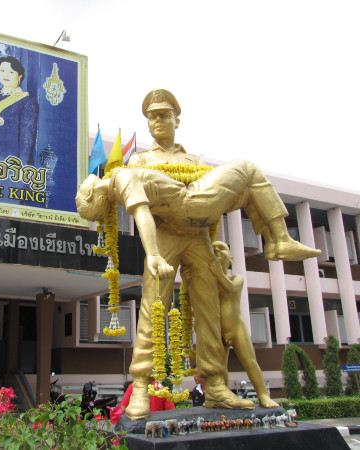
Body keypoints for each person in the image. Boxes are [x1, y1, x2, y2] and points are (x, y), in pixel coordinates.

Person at [75, 89, 320, 419]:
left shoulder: (194, 161)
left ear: (177, 120)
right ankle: (141, 385)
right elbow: (144, 205)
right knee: (153, 305)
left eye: (163, 115)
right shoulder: (140, 161)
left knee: (209, 309)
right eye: (151, 117)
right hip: (165, 234)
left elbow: (214, 196)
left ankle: (215, 385)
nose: (157, 121)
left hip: (198, 234)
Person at [212, 241, 280, 408]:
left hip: (236, 326)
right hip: (217, 329)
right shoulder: (209, 282)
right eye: (214, 250)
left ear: (231, 258)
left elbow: (229, 288)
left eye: (222, 249)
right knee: (220, 367)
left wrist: (216, 271)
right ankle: (223, 396)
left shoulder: (236, 278)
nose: (217, 251)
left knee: (250, 361)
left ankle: (263, 394)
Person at [0, 56, 39, 203]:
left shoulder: (27, 101)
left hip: (11, 166)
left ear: (20, 76)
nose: (6, 75)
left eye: (11, 72)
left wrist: (22, 170)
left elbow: (27, 139)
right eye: (3, 71)